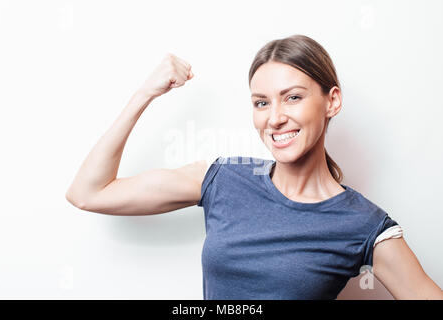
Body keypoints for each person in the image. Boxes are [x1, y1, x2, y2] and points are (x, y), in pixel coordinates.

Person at [66, 34, 443, 300]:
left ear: (332, 101)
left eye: (292, 98)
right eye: (261, 103)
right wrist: (144, 94)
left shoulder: (363, 224)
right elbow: (88, 193)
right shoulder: (223, 179)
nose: (275, 118)